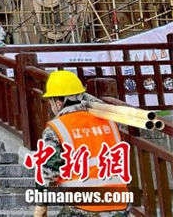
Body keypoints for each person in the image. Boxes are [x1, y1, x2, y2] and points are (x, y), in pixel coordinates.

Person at [33, 70, 130, 217]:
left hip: (84, 208)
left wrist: (41, 206)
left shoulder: (57, 128)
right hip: (120, 206)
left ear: (58, 103)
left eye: (50, 101)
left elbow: (47, 173)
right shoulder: (110, 120)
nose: (51, 106)